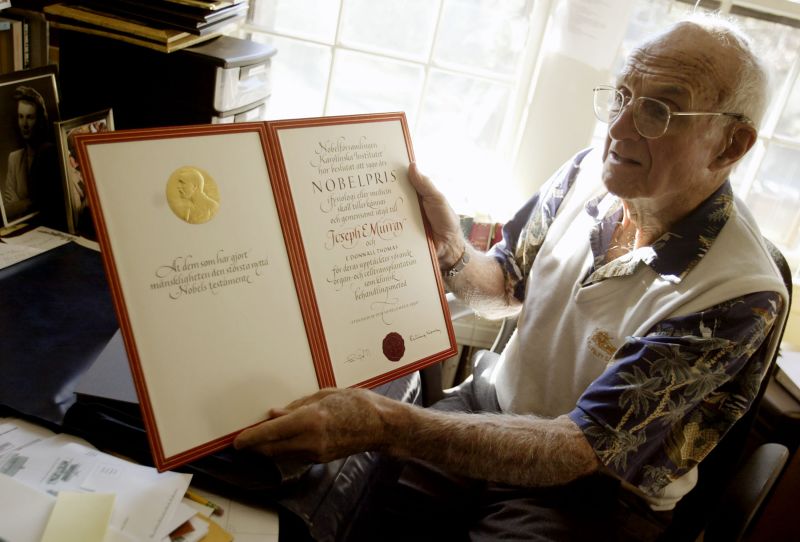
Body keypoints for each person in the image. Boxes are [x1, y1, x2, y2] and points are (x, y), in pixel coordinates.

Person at [234, 15, 790, 541]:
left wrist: (386, 423)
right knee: (331, 506)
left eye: (659, 111)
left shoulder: (740, 293)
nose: (619, 128)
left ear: (731, 145)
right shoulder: (585, 174)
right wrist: (452, 252)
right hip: (488, 409)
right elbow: (506, 288)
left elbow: (578, 449)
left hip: (591, 490)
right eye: (622, 96)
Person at [3, 85, 51, 223]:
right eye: (20, 117)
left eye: (30, 117)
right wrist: (31, 203)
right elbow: (8, 209)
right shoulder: (14, 158)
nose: (24, 124)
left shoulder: (50, 154)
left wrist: (21, 204)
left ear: (40, 120)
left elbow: (49, 203)